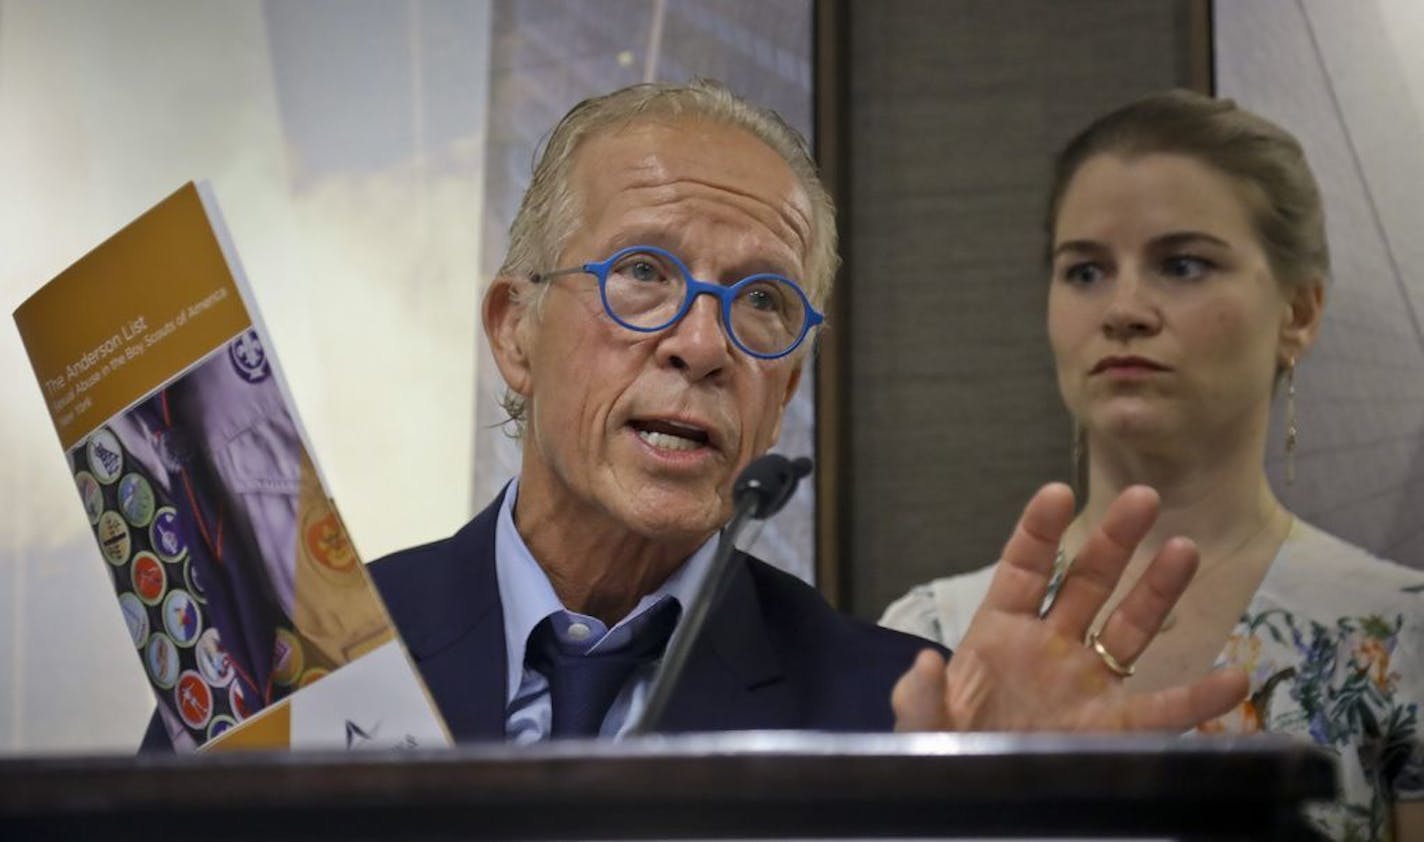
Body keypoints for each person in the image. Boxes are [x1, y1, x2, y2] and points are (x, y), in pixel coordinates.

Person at [142, 79, 1245, 751]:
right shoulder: (298, 650)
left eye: (761, 303)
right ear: (512, 329)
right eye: (642, 275)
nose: (703, 344)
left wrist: (1010, 805)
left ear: (786, 391)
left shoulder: (888, 716)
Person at [881, 89, 1424, 841]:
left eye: (1183, 264)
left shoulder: (1400, 635)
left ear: (1297, 313)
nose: (1124, 309)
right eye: (1085, 271)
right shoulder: (933, 637)